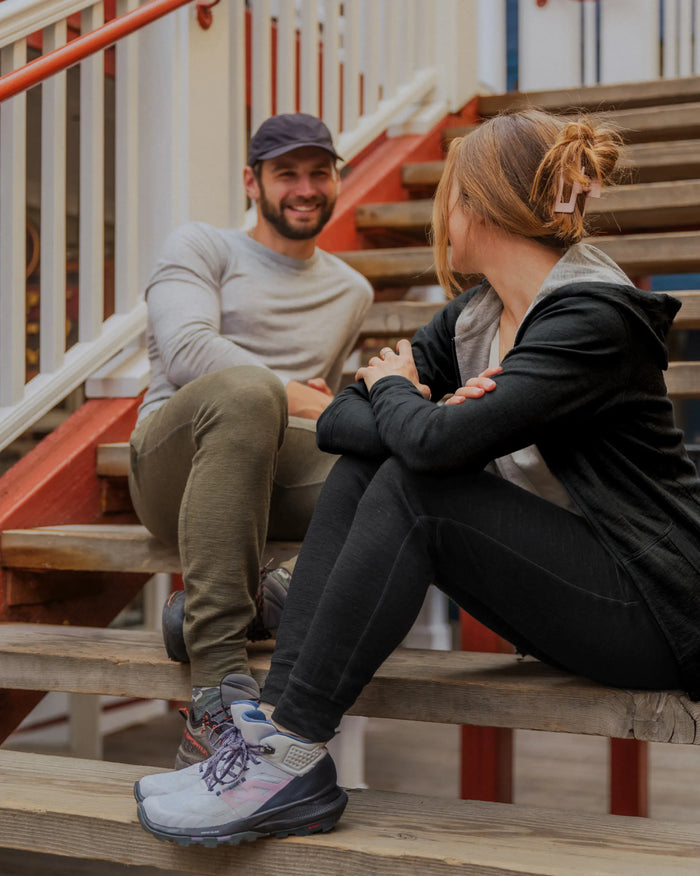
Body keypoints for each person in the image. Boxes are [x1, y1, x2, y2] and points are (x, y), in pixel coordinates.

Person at [134, 108, 700, 847]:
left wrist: (408, 402)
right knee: (378, 461)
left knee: (416, 487)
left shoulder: (593, 320)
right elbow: (341, 419)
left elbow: (427, 444)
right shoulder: (477, 318)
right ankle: (272, 738)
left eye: (451, 198)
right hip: (566, 581)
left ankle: (290, 752)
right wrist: (421, 416)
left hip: (654, 606)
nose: (444, 216)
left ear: (483, 206)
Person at [127, 113, 373, 769]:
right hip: (173, 463)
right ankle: (217, 693)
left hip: (275, 469)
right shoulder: (201, 245)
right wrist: (295, 392)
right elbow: (186, 350)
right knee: (248, 392)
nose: (305, 188)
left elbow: (319, 405)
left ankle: (266, 599)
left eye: (319, 172)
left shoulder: (352, 291)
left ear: (336, 180)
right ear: (251, 181)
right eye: (286, 173)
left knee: (409, 454)